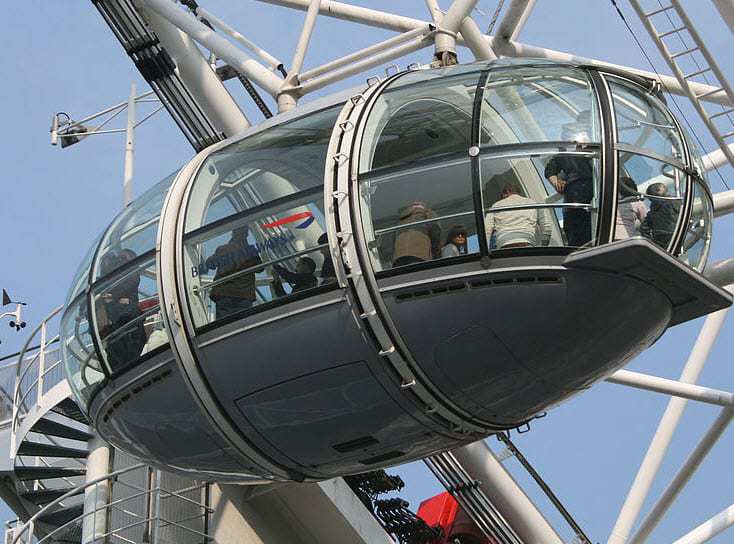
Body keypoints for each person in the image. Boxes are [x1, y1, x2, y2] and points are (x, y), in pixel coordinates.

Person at [544, 110, 595, 247]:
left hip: (574, 192)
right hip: (590, 188)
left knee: (575, 228)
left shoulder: (567, 150)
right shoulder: (590, 143)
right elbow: (550, 168)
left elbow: (550, 168)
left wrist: (556, 182)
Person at [99, 248, 146, 369]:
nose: (119, 262)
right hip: (114, 329)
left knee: (133, 355)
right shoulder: (104, 283)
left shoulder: (132, 275)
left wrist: (112, 298)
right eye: (119, 260)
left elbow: (130, 283)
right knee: (117, 360)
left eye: (123, 259)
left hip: (130, 321)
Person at [206, 226, 262, 320]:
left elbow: (210, 264)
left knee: (224, 325)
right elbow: (260, 268)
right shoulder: (250, 251)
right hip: (244, 295)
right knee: (243, 325)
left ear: (233, 234)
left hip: (224, 293)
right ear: (246, 235)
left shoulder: (223, 249)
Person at [485, 183, 552, 249]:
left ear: (506, 192)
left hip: (504, 245)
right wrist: (543, 247)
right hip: (527, 243)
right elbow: (547, 227)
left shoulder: (495, 206)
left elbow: (487, 230)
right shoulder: (533, 203)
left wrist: (486, 253)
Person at [392, 201, 441, 267]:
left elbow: (393, 241)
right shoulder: (429, 215)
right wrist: (438, 260)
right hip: (418, 256)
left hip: (398, 258)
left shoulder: (402, 219)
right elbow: (435, 239)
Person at [641, 182, 680, 248]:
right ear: (658, 192)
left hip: (659, 240)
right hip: (674, 236)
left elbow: (643, 229)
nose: (668, 192)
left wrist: (652, 242)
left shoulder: (652, 212)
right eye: (664, 188)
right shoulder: (673, 202)